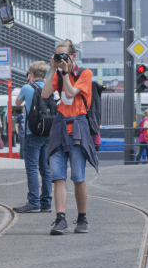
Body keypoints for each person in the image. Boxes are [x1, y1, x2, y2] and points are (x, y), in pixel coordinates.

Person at [44, 40, 98, 235]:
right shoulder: (57, 73)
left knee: (78, 177)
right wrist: (52, 70)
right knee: (57, 176)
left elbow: (69, 92)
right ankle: (60, 219)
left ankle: (82, 218)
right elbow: (45, 93)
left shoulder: (85, 73)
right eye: (58, 55)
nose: (61, 59)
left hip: (78, 127)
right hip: (60, 127)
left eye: (64, 55)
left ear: (73, 56)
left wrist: (65, 72)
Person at [12, 61, 53, 214]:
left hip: (32, 132)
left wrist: (28, 84)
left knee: (31, 168)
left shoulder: (27, 88)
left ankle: (33, 202)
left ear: (31, 75)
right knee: (45, 168)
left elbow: (17, 103)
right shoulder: (51, 88)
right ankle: (46, 203)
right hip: (48, 133)